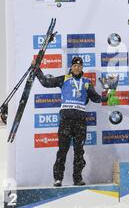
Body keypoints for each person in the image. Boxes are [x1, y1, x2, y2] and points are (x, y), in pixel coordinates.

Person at [34, 56, 108, 187]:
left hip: (80, 121)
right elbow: (46, 82)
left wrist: (106, 96)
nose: (77, 68)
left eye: (80, 66)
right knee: (62, 151)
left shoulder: (86, 82)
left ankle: (77, 179)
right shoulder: (64, 79)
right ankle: (58, 179)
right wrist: (37, 69)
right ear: (71, 67)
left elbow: (95, 98)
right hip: (66, 120)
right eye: (75, 65)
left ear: (82, 68)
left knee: (79, 152)